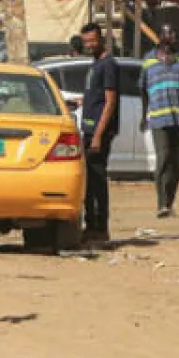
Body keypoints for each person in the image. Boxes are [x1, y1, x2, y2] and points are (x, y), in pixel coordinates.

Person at [140, 23, 179, 219]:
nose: (171, 35)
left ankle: (169, 201)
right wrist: (143, 115)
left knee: (175, 163)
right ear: (160, 36)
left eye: (173, 32)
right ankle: (161, 203)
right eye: (167, 32)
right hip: (158, 118)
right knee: (163, 158)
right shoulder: (148, 60)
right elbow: (143, 90)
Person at [79, 23, 118, 246]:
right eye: (86, 42)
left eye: (92, 41)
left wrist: (97, 135)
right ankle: (91, 225)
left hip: (98, 133)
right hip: (89, 128)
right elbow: (96, 98)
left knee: (98, 182)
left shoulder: (108, 65)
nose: (89, 45)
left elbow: (110, 102)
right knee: (89, 182)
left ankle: (100, 228)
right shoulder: (95, 64)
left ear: (101, 39)